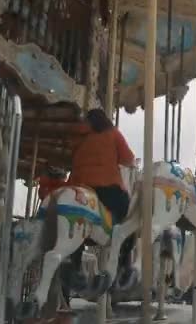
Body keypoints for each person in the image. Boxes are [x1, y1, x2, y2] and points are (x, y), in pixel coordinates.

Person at [67, 109, 136, 287]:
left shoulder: (80, 138)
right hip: (106, 187)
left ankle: (75, 264)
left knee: (75, 221)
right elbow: (129, 159)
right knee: (130, 217)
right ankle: (125, 263)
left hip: (79, 188)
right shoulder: (113, 134)